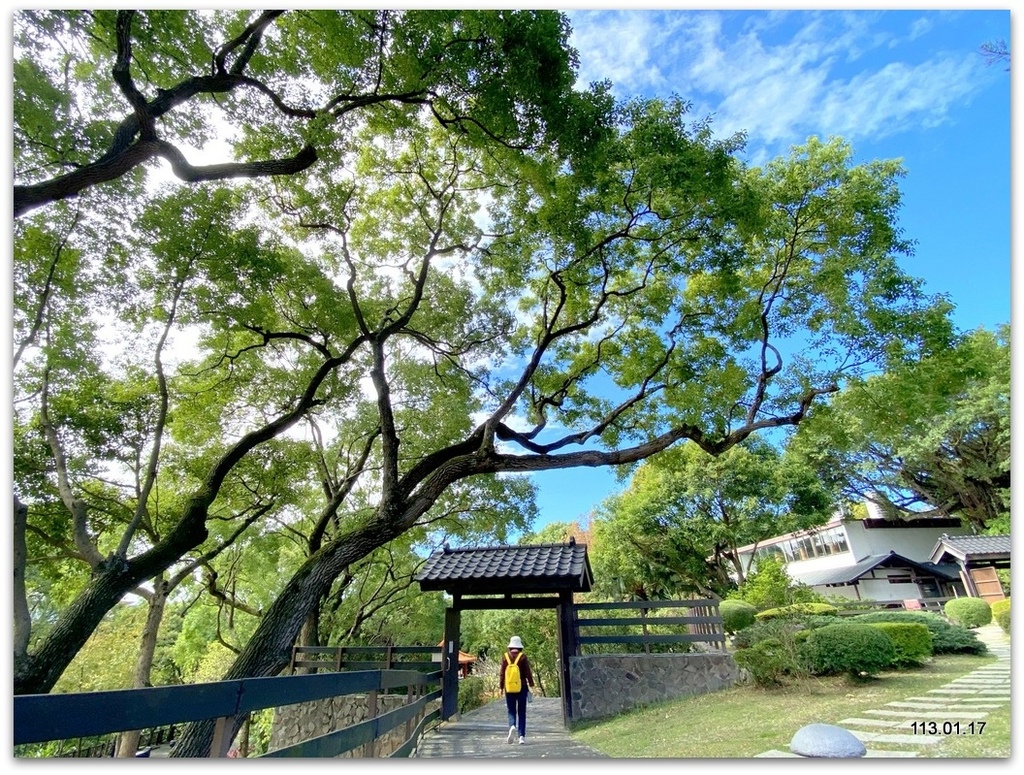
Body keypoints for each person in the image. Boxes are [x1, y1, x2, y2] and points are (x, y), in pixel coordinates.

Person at [499, 635, 535, 745]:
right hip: (522, 687)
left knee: (511, 711)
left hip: (509, 688)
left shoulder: (505, 657)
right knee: (522, 712)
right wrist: (532, 685)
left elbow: (502, 674)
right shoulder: (522, 657)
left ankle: (512, 726)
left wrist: (501, 687)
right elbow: (528, 672)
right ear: (520, 646)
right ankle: (521, 737)